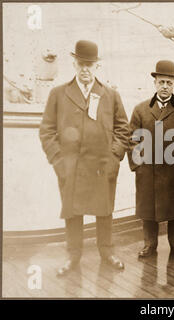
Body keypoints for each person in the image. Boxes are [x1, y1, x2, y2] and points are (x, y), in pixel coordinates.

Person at [39, 40, 130, 276]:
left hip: (102, 165)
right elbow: (47, 131)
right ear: (74, 63)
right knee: (73, 211)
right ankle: (73, 255)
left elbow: (123, 129)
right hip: (71, 166)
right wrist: (59, 161)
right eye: (81, 64)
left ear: (97, 65)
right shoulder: (58, 94)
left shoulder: (110, 95)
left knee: (104, 210)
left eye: (90, 64)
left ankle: (107, 252)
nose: (85, 69)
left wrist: (114, 158)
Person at [128, 60, 174, 259]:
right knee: (148, 210)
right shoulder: (140, 109)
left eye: (169, 83)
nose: (165, 86)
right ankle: (150, 245)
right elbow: (132, 139)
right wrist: (138, 164)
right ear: (155, 83)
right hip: (147, 170)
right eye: (162, 82)